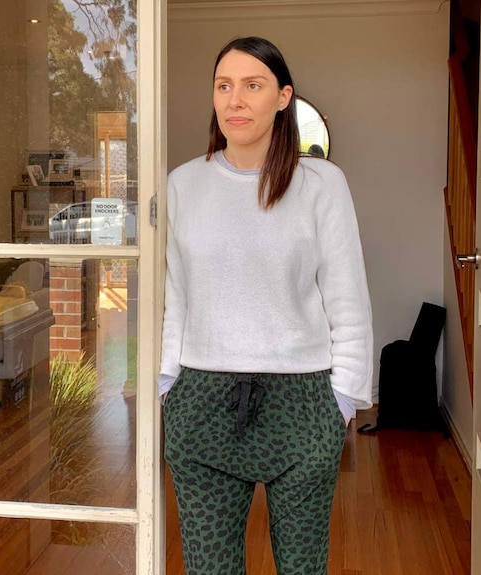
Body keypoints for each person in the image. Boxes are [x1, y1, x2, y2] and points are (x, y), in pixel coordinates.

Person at [159, 36, 373, 575]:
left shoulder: (322, 184)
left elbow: (347, 296)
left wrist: (342, 401)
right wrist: (167, 386)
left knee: (303, 568)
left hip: (302, 402)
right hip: (201, 400)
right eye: (224, 86)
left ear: (283, 97)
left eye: (253, 86)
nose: (236, 100)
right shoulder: (184, 184)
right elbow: (176, 296)